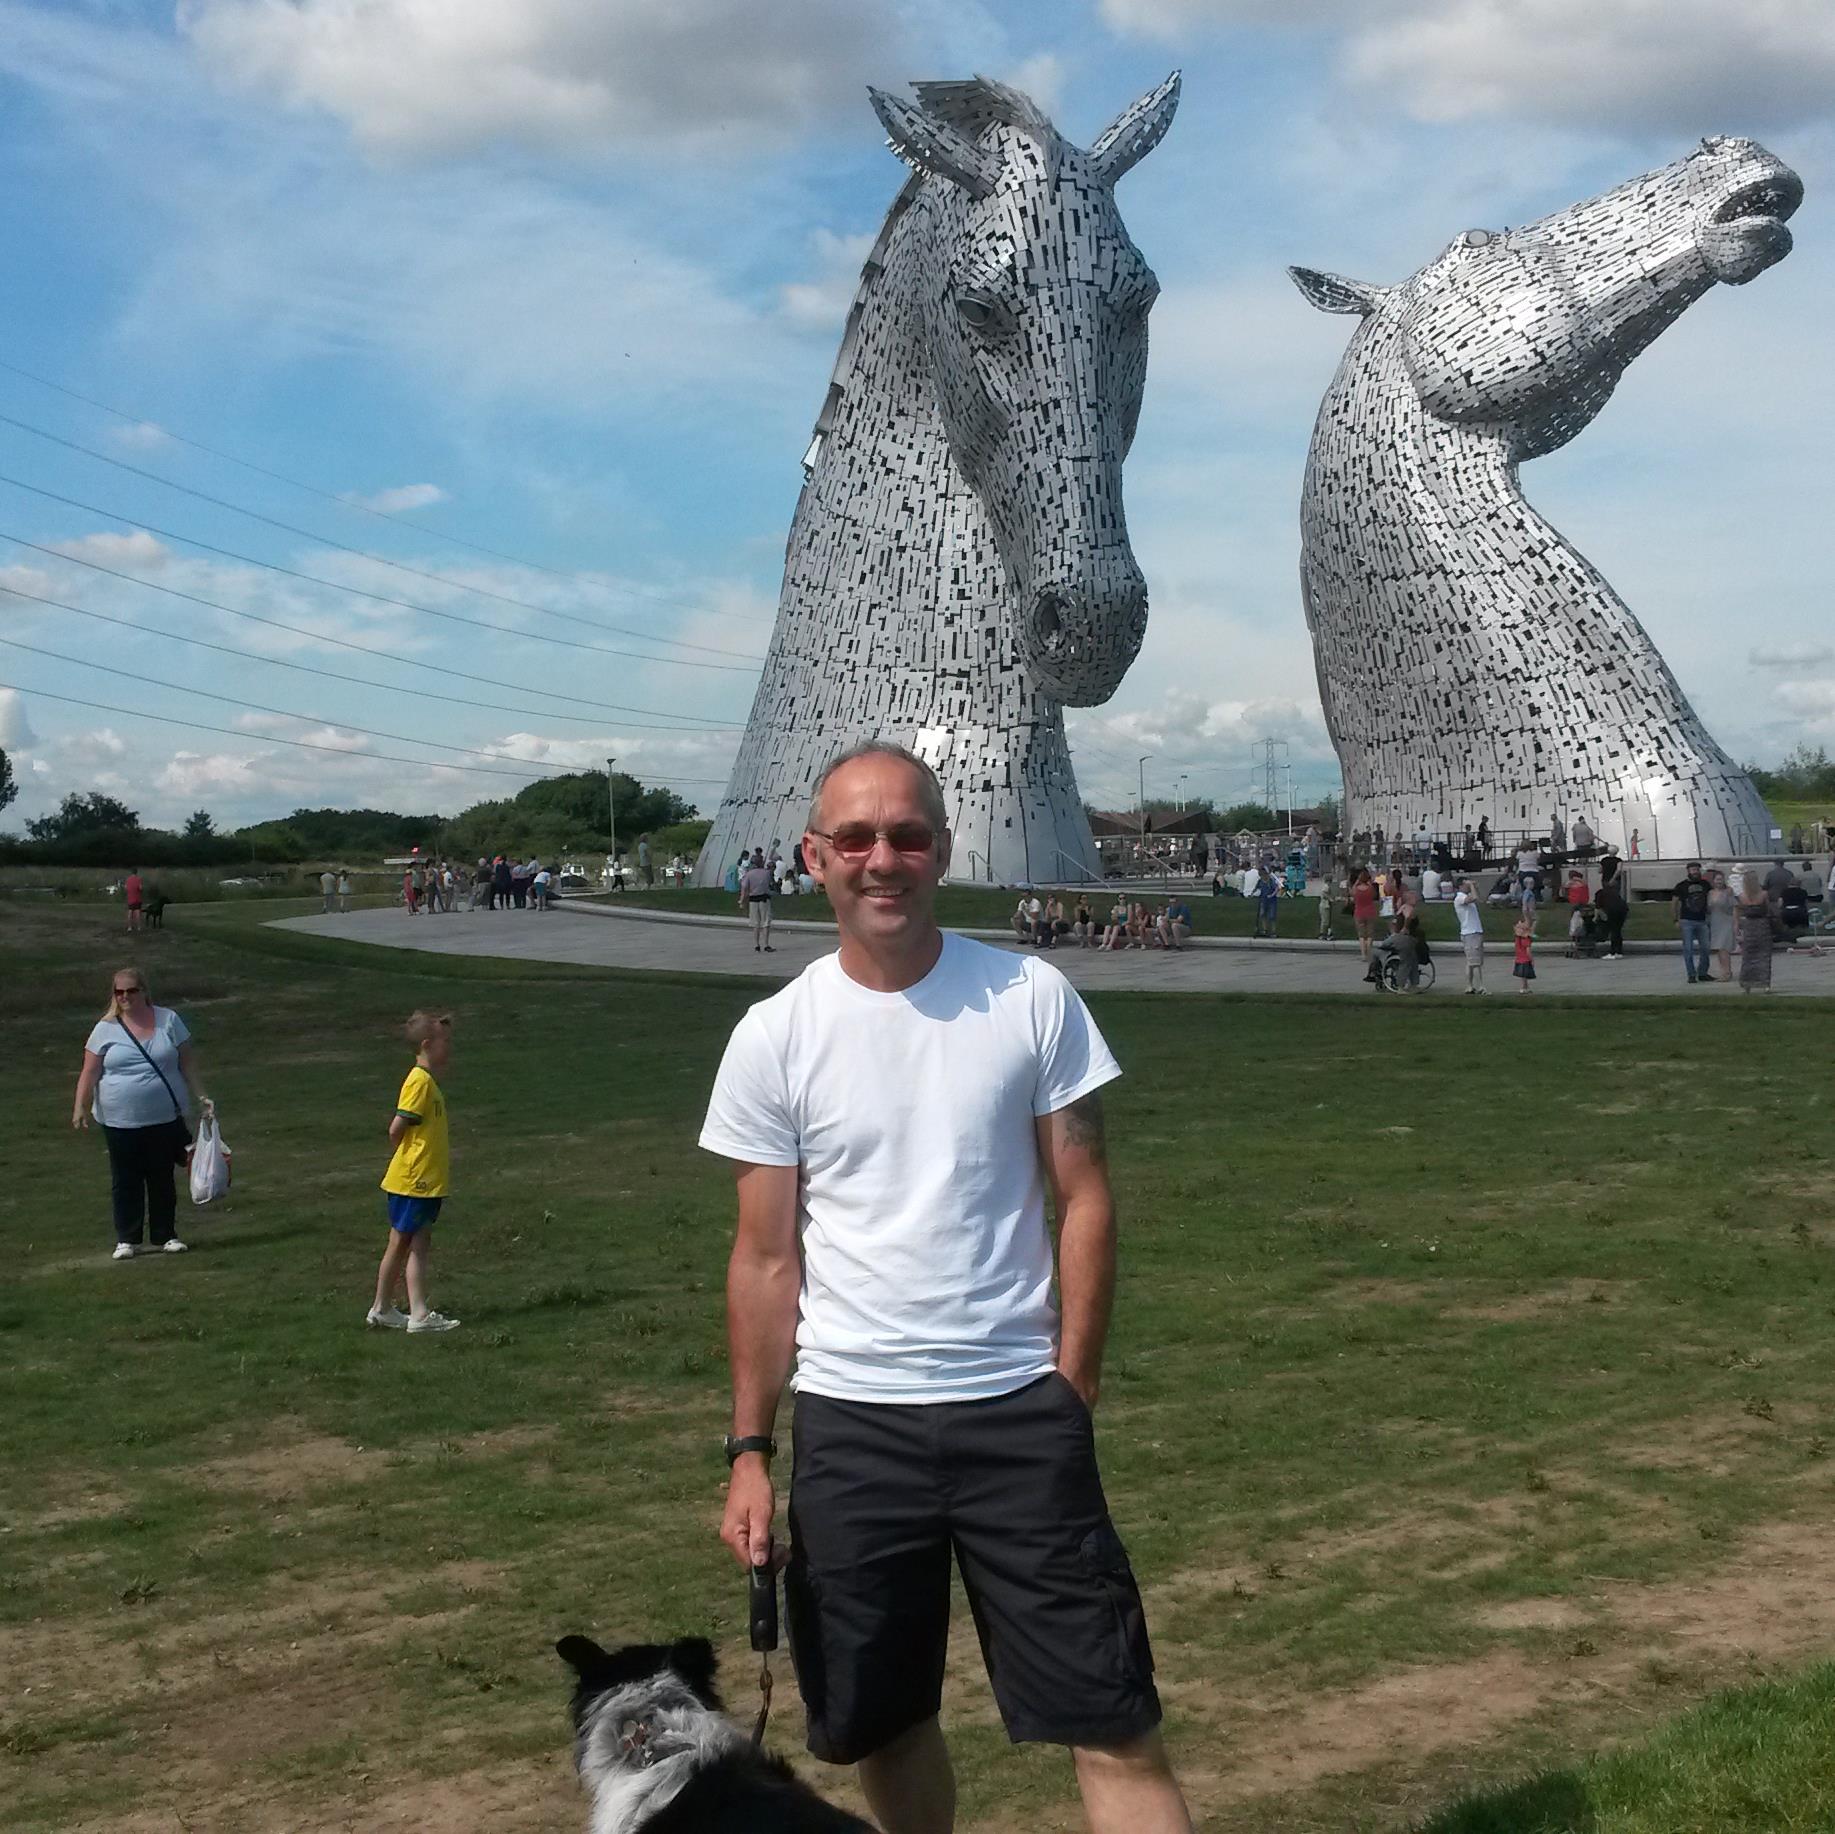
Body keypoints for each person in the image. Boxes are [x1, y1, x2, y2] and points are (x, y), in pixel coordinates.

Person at [702, 739, 1191, 1834]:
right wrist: (748, 1451)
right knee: (881, 1721)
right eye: (857, 839)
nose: (884, 859)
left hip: (1017, 1410)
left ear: (942, 850)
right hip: (853, 1426)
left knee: (1109, 1715)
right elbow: (764, 1258)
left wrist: (1072, 1386)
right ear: (812, 857)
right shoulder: (774, 1035)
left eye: (907, 836)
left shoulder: (1028, 995)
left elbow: (1086, 1199)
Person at [72, 968, 207, 1259]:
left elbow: (188, 1064)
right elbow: (90, 1070)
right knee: (125, 1179)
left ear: (144, 991)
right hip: (119, 1119)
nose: (124, 997)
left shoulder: (168, 1020)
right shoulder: (105, 1028)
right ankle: (127, 1239)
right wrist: (79, 1106)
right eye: (119, 992)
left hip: (164, 1116)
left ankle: (166, 1235)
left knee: (161, 1177)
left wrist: (202, 1096)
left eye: (131, 991)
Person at [368, 1012, 459, 1333]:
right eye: (444, 1042)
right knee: (416, 1243)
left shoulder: (425, 1082)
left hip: (419, 1179)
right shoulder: (419, 1083)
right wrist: (409, 1161)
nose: (449, 1048)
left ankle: (382, 1308)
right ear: (426, 1045)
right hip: (416, 1181)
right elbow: (396, 1129)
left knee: (403, 1242)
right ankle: (418, 1314)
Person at [1672, 862, 1712, 985]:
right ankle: (1691, 974)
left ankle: (1702, 973)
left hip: (1702, 920)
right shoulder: (1681, 886)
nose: (1695, 872)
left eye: (1697, 869)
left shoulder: (1705, 884)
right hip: (1687, 921)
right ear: (1688, 871)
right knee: (1688, 949)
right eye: (1693, 870)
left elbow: (1712, 897)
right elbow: (1674, 903)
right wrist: (1675, 919)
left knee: (1705, 948)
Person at [1736, 877, 1774, 993]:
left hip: (1749, 926)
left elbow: (1740, 911)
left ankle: (1747, 984)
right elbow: (1768, 910)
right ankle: (1765, 983)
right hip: (1762, 924)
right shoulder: (1763, 894)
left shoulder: (1742, 896)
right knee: (1764, 955)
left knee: (1748, 956)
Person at [740, 848, 776, 953]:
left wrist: (742, 900)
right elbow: (771, 884)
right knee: (766, 922)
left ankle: (756, 944)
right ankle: (766, 944)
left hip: (753, 900)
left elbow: (744, 888)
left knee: (755, 923)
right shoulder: (767, 873)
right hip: (764, 899)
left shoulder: (749, 874)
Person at [1453, 878, 1486, 993]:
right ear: (1461, 886)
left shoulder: (1466, 897)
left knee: (1473, 962)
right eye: (1466, 884)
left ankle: (1470, 986)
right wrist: (1471, 885)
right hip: (1470, 932)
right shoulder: (1460, 897)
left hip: (1474, 931)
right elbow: (1474, 898)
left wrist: (1475, 887)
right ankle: (1480, 986)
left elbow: (1480, 899)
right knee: (1475, 962)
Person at [1706, 870, 1736, 982]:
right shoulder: (1710, 893)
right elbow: (1708, 909)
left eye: (1721, 879)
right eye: (1717, 879)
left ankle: (1727, 973)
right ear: (1713, 881)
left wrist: (1736, 923)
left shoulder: (1728, 891)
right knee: (1719, 949)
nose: (1719, 881)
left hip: (1726, 921)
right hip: (1715, 922)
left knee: (1724, 948)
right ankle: (1723, 971)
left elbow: (1734, 907)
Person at [1351, 868, 1378, 961]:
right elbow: (1374, 896)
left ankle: (1363, 954)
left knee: (1362, 935)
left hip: (1359, 912)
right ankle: (1369, 952)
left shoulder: (1356, 889)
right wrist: (1370, 882)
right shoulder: (1370, 888)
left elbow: (1352, 894)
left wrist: (1356, 882)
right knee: (1370, 935)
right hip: (1370, 912)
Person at [1512, 915, 1536, 993]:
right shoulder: (1526, 939)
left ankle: (1526, 987)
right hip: (1525, 959)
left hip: (1519, 958)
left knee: (1523, 976)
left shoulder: (1517, 938)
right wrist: (1532, 959)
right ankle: (1523, 987)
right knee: (1524, 975)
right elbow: (1528, 951)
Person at [1254, 867, 1279, 939]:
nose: (1263, 877)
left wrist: (1272, 895)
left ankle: (1273, 931)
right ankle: (1265, 929)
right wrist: (1253, 893)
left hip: (1271, 900)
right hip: (1263, 899)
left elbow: (1276, 888)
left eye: (1263, 875)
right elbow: (1256, 888)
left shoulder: (1271, 881)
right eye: (1261, 875)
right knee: (1262, 914)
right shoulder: (1260, 881)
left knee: (1272, 916)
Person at [122, 867, 145, 932]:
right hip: (137, 899)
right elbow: (140, 888)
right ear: (136, 872)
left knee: (130, 913)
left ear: (131, 872)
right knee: (137, 913)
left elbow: (126, 888)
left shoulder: (128, 879)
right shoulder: (138, 879)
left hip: (130, 899)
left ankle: (129, 927)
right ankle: (139, 927)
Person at [1316, 873, 1335, 942]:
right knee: (1325, 921)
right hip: (1324, 906)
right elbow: (1324, 893)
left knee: (1327, 920)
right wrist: (1330, 898)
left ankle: (1327, 933)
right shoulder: (1326, 886)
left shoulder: (1327, 886)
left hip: (1326, 905)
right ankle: (1323, 933)